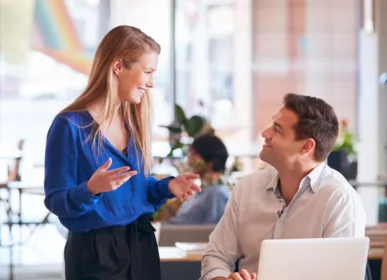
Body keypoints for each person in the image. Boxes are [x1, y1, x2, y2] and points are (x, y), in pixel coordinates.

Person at [43, 25, 201, 280]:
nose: (151, 83)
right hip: (95, 255)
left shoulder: (134, 122)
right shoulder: (69, 126)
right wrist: (91, 188)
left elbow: (136, 189)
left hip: (141, 245)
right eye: (147, 72)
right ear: (118, 66)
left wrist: (167, 187)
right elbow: (55, 201)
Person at [200, 93, 366, 280]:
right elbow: (216, 256)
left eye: (277, 130)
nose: (265, 133)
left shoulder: (339, 199)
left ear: (305, 147)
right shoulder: (247, 188)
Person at [165, 134, 231, 225]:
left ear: (210, 161)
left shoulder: (216, 194)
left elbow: (211, 232)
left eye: (194, 154)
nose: (189, 159)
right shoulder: (202, 191)